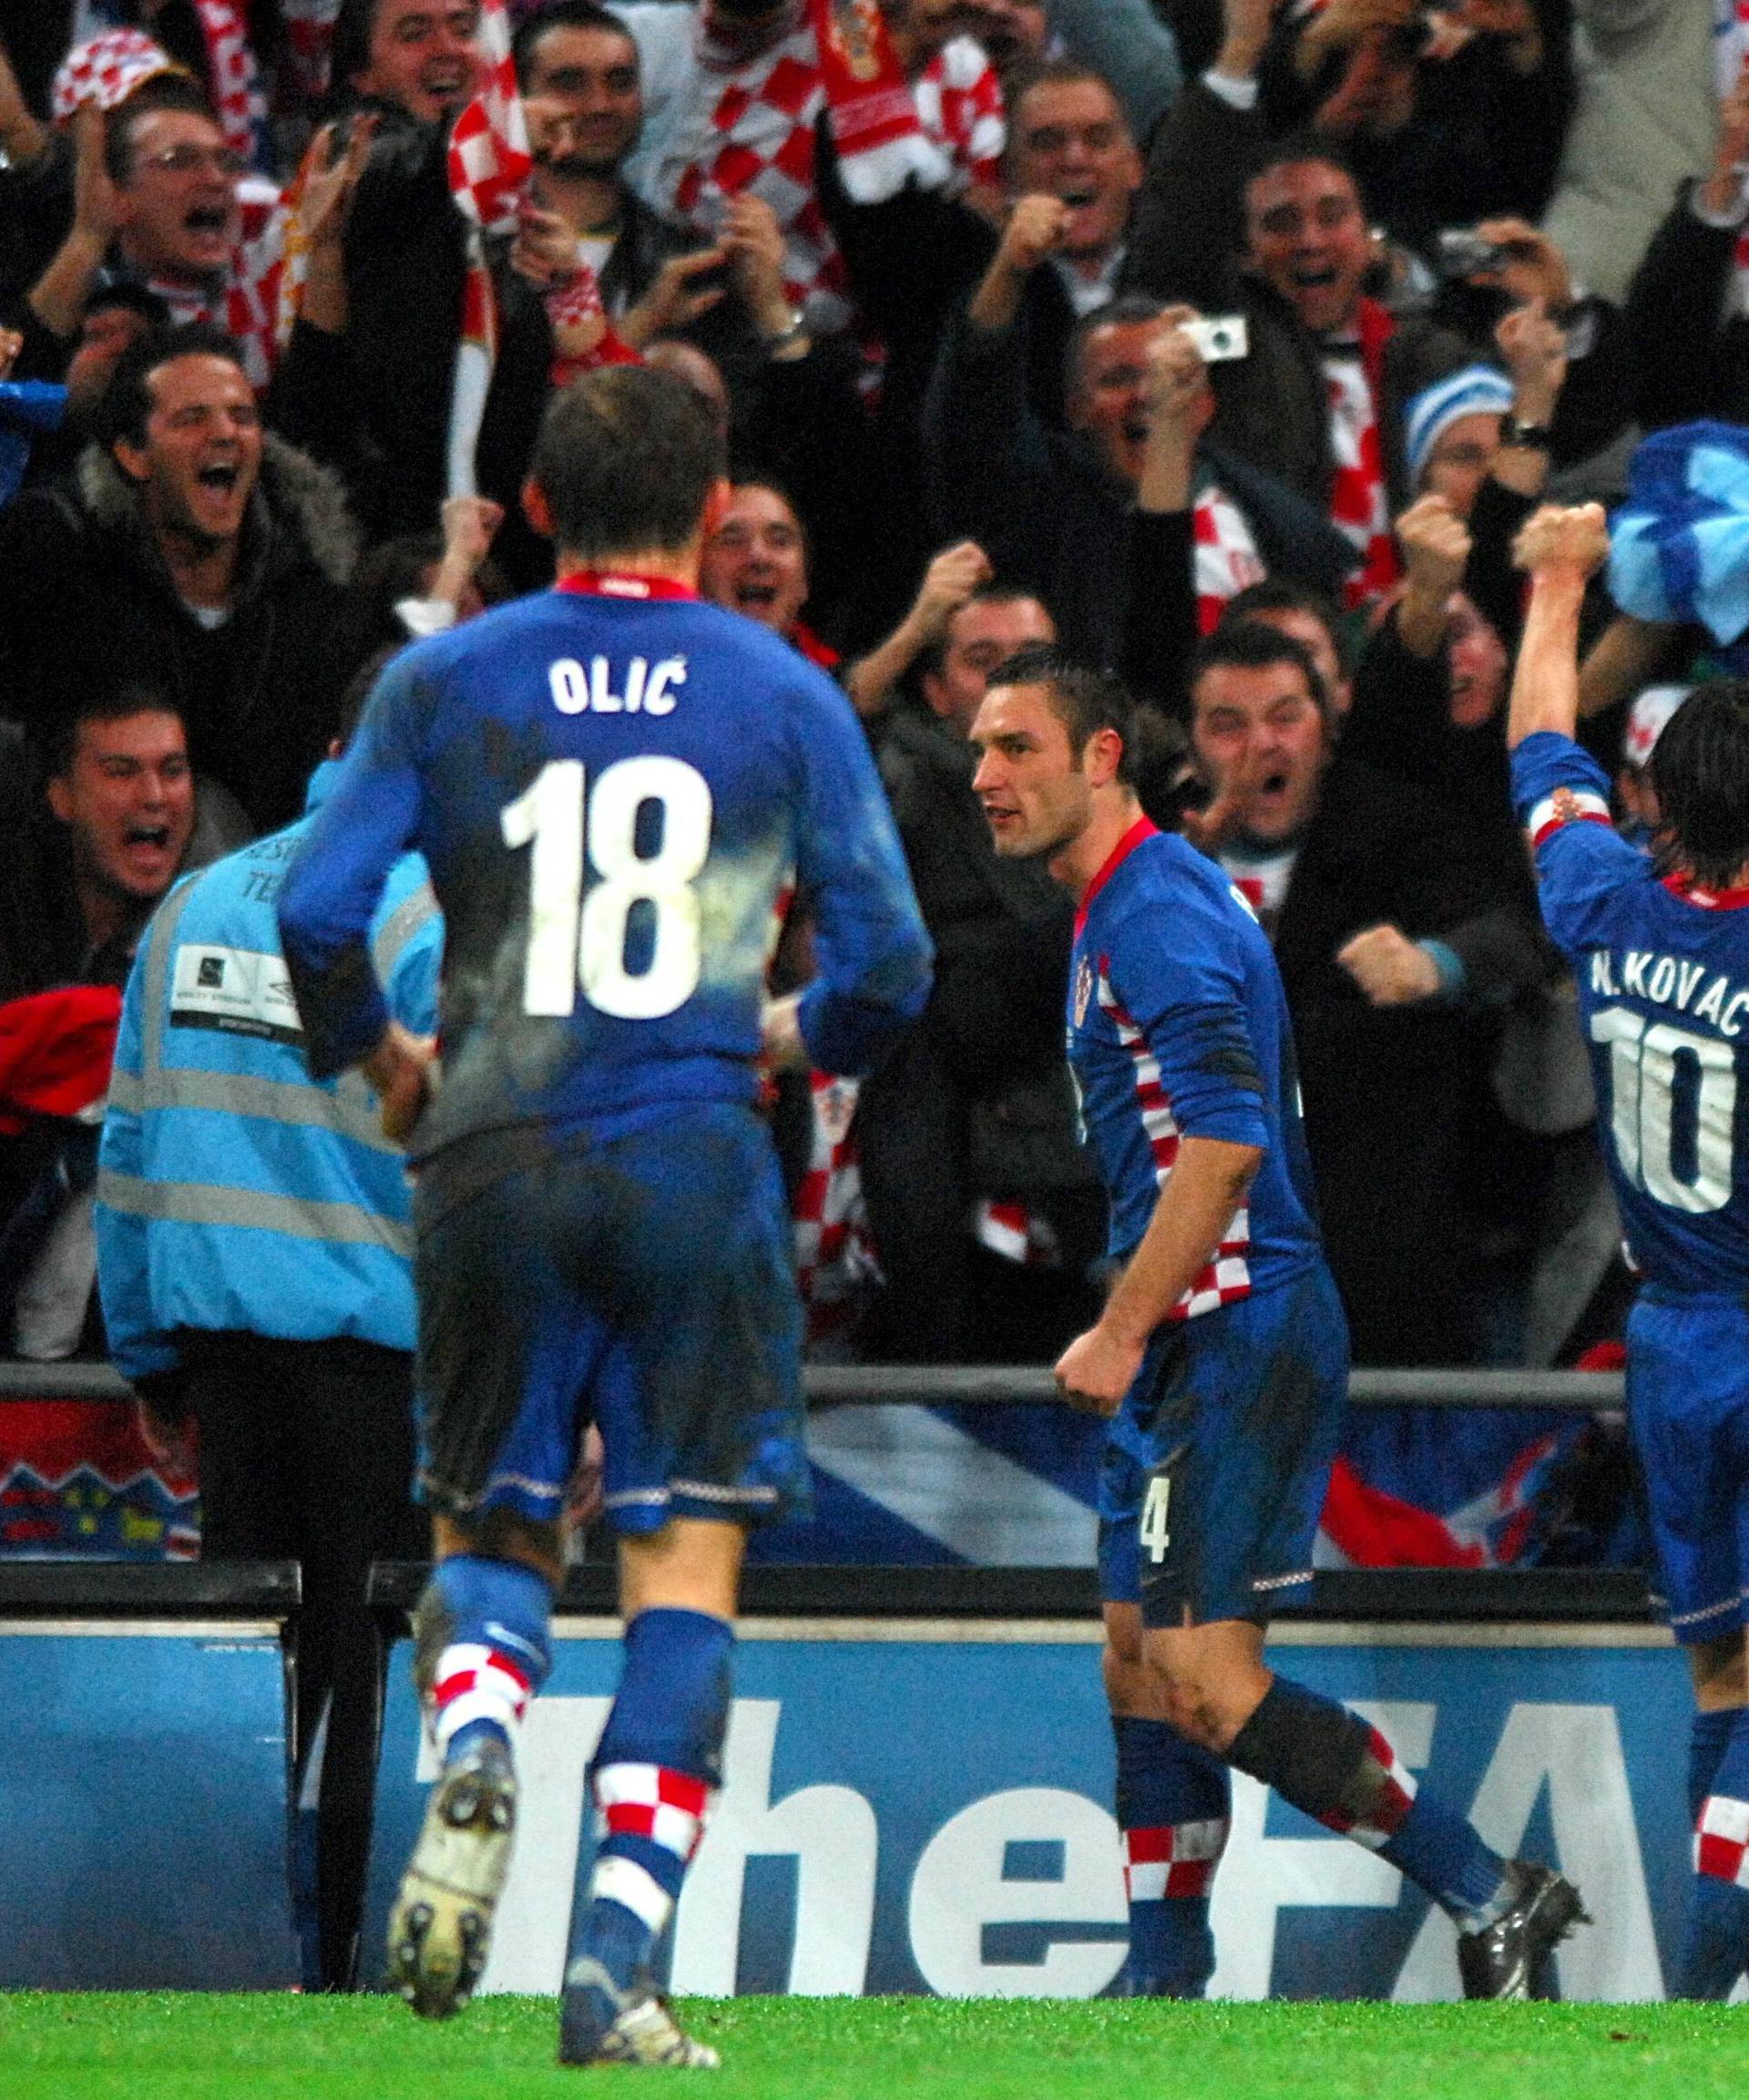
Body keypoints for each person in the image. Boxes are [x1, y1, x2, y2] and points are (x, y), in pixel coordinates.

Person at [275, 364, 931, 2061]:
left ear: (546, 508)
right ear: (715, 511)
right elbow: (895, 962)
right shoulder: (779, 687)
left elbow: (319, 903)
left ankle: (482, 1733)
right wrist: (791, 1034)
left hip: (490, 1151)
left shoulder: (443, 676)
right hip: (692, 1158)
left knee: (491, 1537)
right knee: (680, 1562)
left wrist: (387, 1064)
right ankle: (611, 1973)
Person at [967, 640, 1583, 1998]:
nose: (985, 776)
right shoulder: (1128, 898)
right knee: (1137, 1658)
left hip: (1232, 1325)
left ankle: (1490, 1888)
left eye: (1017, 748)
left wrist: (1123, 1329)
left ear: (1101, 757)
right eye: (978, 749)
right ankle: (1160, 1975)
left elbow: (1227, 1143)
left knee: (1205, 1675)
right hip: (1189, 1328)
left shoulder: (1155, 915)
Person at [92, 672, 441, 1992]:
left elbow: (128, 1140)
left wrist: (152, 1355)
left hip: (226, 1354)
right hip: (381, 1360)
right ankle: (346, 1960)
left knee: (255, 1656)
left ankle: (232, 1954)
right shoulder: (435, 914)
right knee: (372, 1660)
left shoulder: (194, 905)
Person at [1507, 504, 1749, 1997]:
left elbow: (1542, 744)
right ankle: (1727, 1996)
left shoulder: (1605, 903)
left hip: (1669, 1341)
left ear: (1658, 798)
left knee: (1724, 1676)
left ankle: (1706, 1994)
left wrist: (1554, 584)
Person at [0, 322, 358, 830]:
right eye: (192, 418)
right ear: (133, 454)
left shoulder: (310, 591)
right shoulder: (59, 564)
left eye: (242, 416)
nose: (225, 433)